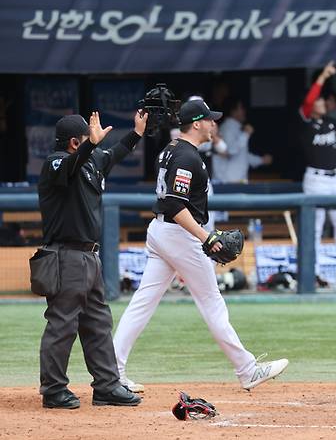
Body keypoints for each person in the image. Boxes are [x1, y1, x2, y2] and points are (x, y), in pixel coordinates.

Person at [113, 99, 288, 392]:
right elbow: (174, 204)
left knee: (143, 302)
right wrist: (205, 236)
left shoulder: (172, 150)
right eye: (209, 119)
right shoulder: (186, 157)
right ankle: (247, 371)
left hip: (162, 232)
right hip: (177, 234)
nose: (214, 124)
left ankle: (112, 372)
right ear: (196, 123)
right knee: (211, 303)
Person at [37, 112, 145, 408]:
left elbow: (113, 155)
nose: (94, 145)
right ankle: (54, 390)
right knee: (62, 324)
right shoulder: (56, 162)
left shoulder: (92, 162)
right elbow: (71, 164)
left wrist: (137, 132)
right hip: (65, 255)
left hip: (90, 256)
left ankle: (107, 387)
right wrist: (88, 147)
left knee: (98, 322)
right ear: (75, 142)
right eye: (87, 139)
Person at [299, 61, 336, 246]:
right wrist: (323, 76)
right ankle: (314, 267)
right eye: (319, 100)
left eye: (322, 100)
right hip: (316, 179)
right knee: (316, 225)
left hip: (335, 178)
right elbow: (309, 101)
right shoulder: (305, 121)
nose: (321, 103)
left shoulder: (331, 121)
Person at [216, 98, 272, 183]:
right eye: (241, 108)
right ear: (233, 111)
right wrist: (246, 135)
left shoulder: (237, 128)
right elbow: (230, 151)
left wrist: (261, 160)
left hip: (238, 181)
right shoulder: (228, 128)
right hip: (229, 182)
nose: (244, 111)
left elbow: (242, 155)